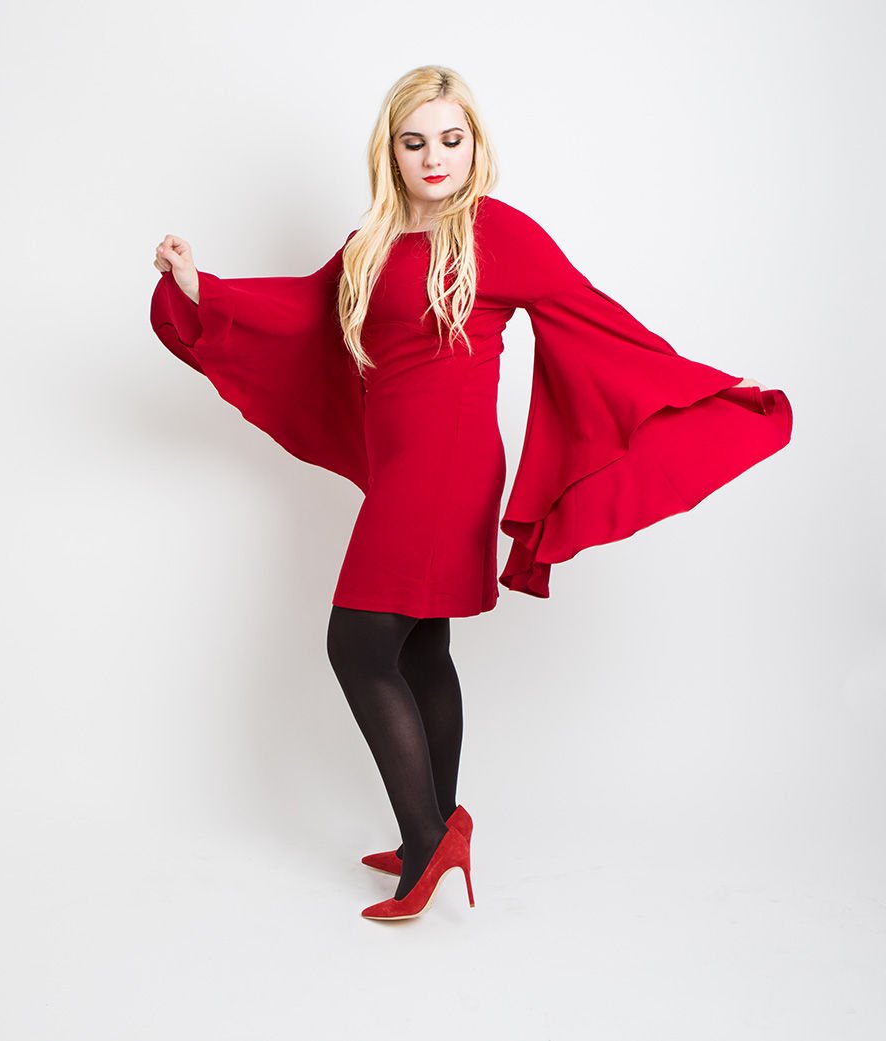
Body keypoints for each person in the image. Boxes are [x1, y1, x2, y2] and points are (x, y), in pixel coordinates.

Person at [149, 65, 793, 922]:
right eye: (416, 141)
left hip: (445, 466)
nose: (435, 157)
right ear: (392, 151)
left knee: (356, 643)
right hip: (402, 461)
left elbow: (592, 313)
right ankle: (438, 824)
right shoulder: (371, 240)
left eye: (451, 139)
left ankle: (427, 839)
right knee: (419, 647)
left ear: (474, 144)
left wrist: (699, 385)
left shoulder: (495, 232)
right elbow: (307, 311)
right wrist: (203, 290)